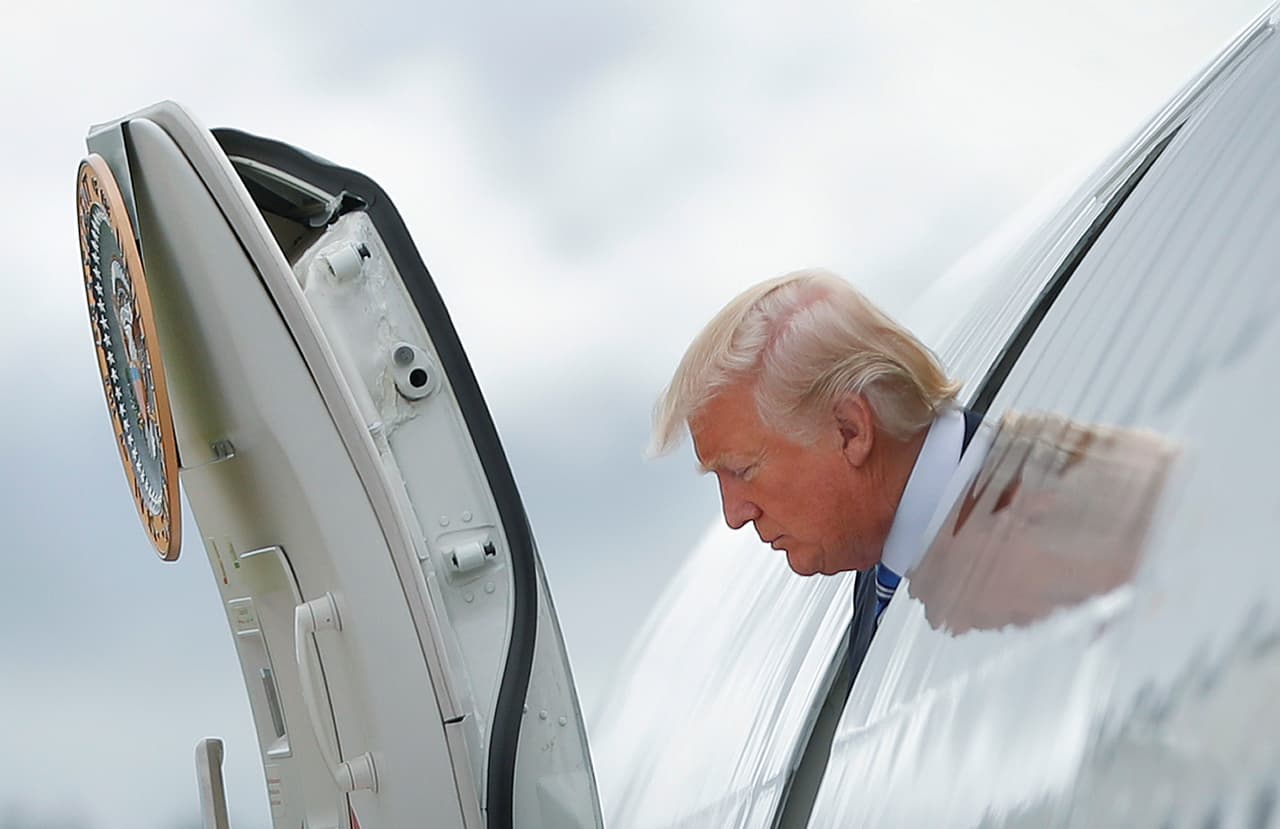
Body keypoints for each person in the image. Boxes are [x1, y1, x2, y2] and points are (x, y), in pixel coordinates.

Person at [650, 268, 982, 685]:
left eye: (741, 470)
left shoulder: (1042, 533)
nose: (735, 514)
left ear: (850, 430)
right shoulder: (879, 577)